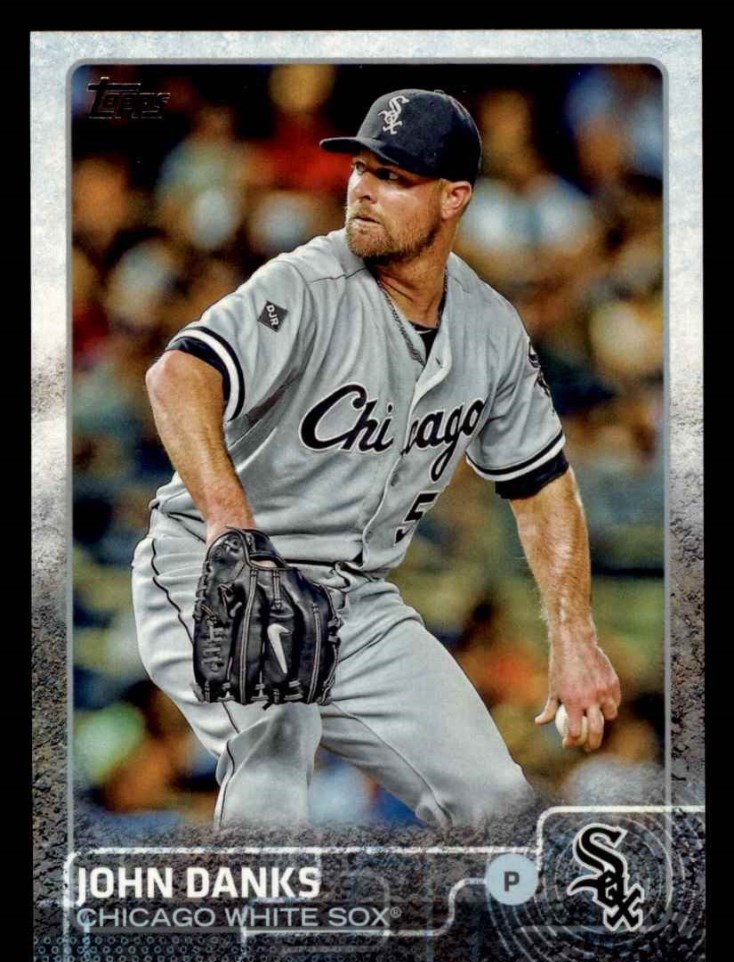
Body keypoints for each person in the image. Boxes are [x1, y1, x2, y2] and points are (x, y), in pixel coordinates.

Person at [132, 88, 620, 830]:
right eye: (362, 167)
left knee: (501, 806)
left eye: (394, 176)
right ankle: (253, 912)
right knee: (275, 743)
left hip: (356, 599)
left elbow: (543, 484)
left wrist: (575, 638)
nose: (363, 187)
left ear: (454, 198)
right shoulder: (306, 283)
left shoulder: (490, 328)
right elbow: (178, 376)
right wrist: (232, 528)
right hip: (215, 567)